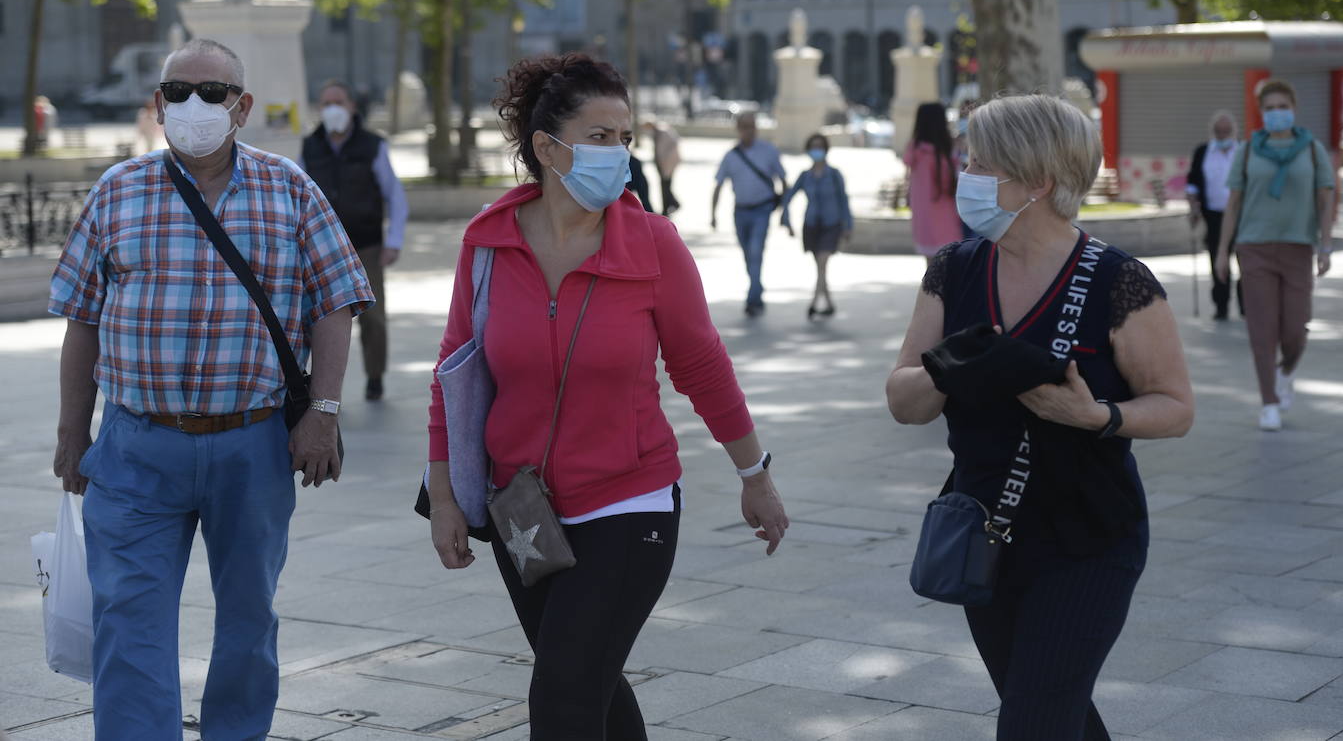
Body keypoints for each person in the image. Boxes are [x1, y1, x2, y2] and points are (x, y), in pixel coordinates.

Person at [425, 52, 789, 741]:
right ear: (546, 147)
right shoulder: (487, 242)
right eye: (599, 137)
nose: (619, 152)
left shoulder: (653, 245)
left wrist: (754, 473)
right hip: (521, 509)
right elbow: (455, 373)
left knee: (562, 693)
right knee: (589, 683)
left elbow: (703, 365)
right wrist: (445, 496)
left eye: (625, 137)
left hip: (630, 500)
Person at [49, 38, 374, 739]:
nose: (193, 105)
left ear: (243, 106)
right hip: (136, 447)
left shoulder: (290, 189)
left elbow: (336, 302)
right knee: (128, 621)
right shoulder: (118, 190)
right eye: (177, 92)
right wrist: (74, 431)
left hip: (252, 446)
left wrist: (322, 410)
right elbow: (81, 319)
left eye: (212, 92)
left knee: (249, 619)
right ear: (157, 103)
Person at [886, 94, 1193, 741]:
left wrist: (1096, 414)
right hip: (986, 534)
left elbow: (1176, 406)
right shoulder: (954, 270)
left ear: (1038, 180)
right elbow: (902, 400)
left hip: (1088, 538)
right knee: (1056, 713)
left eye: (980, 163)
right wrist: (948, 368)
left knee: (1032, 720)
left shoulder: (1119, 281)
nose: (965, 174)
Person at [1216, 79, 1336, 432]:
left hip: (1298, 248)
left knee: (1295, 331)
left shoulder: (1311, 150)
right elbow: (1233, 204)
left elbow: (1325, 200)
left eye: (1282, 106)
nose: (1276, 113)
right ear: (1261, 113)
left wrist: (1325, 245)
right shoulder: (1249, 150)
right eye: (1269, 108)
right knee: (1262, 330)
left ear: (1293, 109)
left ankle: (1286, 371)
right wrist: (1222, 251)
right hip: (1254, 249)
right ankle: (1268, 402)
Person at [301, 80, 409, 401]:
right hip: (323, 250)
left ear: (352, 107)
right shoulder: (311, 146)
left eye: (338, 102)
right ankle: (321, 388)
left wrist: (394, 240)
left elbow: (395, 195)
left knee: (373, 319)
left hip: (367, 244)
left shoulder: (372, 145)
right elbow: (300, 194)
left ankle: (375, 377)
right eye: (326, 103)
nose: (332, 109)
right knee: (319, 319)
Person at [711, 111, 787, 316]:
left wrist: (785, 212)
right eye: (744, 126)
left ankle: (753, 299)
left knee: (755, 251)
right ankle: (757, 286)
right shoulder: (731, 156)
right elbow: (719, 185)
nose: (748, 130)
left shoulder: (769, 151)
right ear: (738, 129)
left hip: (762, 209)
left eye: (751, 126)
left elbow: (783, 179)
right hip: (741, 212)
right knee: (747, 254)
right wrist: (713, 214)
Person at [780, 133, 853, 319]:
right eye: (813, 147)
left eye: (820, 147)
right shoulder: (805, 176)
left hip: (831, 224)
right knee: (820, 267)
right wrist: (787, 221)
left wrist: (848, 225)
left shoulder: (835, 174)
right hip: (811, 225)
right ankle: (828, 304)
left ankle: (813, 303)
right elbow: (787, 198)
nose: (816, 150)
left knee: (822, 263)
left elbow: (844, 200)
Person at [1185, 110, 1243, 321]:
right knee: (1218, 260)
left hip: (1241, 214)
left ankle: (1247, 307)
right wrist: (1193, 207)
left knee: (1245, 259)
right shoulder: (1203, 152)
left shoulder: (1243, 151)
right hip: (1214, 215)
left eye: (1226, 131)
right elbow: (1192, 183)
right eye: (1218, 131)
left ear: (1234, 131)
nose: (1222, 135)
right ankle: (1221, 306)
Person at [903, 102, 964, 257]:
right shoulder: (949, 151)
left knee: (930, 265)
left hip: (923, 214)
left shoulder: (915, 151)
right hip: (948, 213)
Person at [646, 118, 682, 214]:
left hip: (668, 164)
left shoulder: (663, 132)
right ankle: (672, 204)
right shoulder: (655, 133)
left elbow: (672, 146)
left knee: (665, 186)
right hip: (662, 164)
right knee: (665, 186)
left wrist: (666, 163)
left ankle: (667, 208)